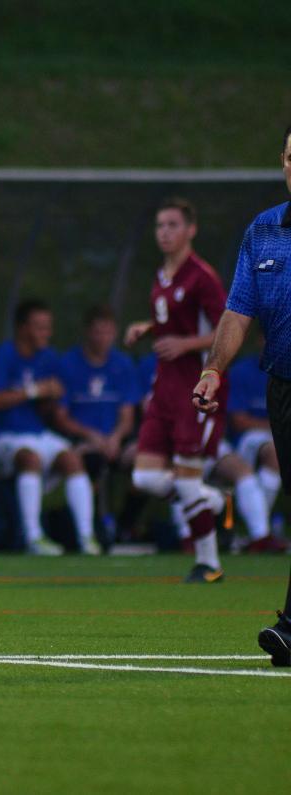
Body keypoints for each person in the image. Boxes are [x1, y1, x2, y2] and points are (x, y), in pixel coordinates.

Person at [193, 125, 291, 666]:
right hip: (284, 384)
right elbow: (238, 310)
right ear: (282, 160)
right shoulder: (265, 231)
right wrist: (213, 371)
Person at [125, 197, 228, 583]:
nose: (164, 232)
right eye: (159, 225)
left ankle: (209, 563)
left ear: (191, 230)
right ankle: (212, 501)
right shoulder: (163, 274)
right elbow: (172, 318)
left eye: (172, 224)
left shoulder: (202, 276)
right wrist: (148, 328)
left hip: (197, 387)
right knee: (145, 478)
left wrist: (185, 345)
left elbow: (226, 328)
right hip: (164, 386)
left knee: (186, 481)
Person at [0, 299, 99, 555]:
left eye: (48, 327)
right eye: (40, 327)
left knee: (72, 459)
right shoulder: (4, 354)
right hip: (4, 438)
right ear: (22, 328)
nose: (46, 334)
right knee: (31, 458)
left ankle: (87, 537)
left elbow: (53, 410)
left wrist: (51, 398)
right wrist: (33, 390)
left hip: (39, 434)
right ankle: (33, 537)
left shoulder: (49, 357)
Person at [53, 305, 139, 543]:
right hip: (83, 441)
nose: (103, 338)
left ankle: (125, 526)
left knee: (145, 467)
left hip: (114, 440)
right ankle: (91, 528)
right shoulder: (68, 364)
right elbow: (60, 417)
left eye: (108, 332)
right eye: (98, 332)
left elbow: (127, 416)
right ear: (87, 333)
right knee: (91, 462)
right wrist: (91, 437)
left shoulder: (122, 364)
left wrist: (115, 438)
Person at [222, 339, 286, 552]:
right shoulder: (241, 371)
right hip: (246, 439)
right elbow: (239, 421)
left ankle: (257, 531)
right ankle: (260, 534)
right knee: (275, 452)